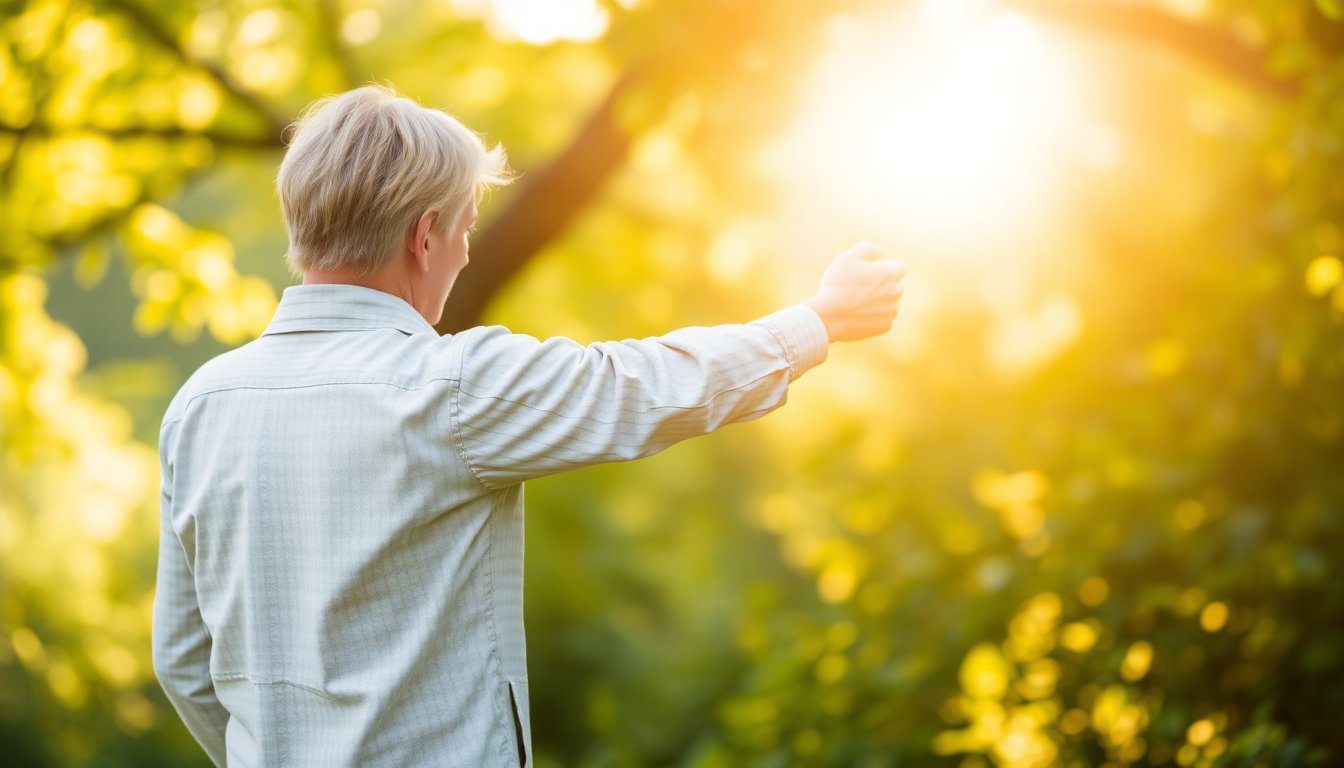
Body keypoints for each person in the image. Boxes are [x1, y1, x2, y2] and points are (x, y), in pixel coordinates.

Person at [151, 83, 906, 768]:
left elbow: (183, 660)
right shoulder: (449, 388)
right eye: (466, 228)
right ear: (424, 235)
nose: (466, 253)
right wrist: (821, 319)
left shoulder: (199, 405)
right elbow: (644, 384)